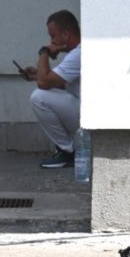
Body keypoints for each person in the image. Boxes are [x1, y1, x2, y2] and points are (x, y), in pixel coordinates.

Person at [20, 9, 82, 169]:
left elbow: (44, 82)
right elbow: (57, 82)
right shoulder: (79, 52)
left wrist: (44, 52)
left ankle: (67, 152)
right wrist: (36, 76)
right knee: (44, 92)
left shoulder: (78, 54)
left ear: (66, 35)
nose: (51, 41)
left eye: (53, 36)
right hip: (87, 113)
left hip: (90, 119)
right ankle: (69, 151)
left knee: (38, 97)